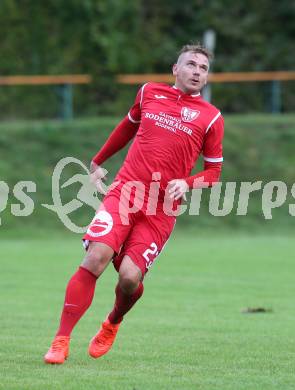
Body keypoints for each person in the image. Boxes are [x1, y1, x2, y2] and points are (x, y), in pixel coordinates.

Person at [44, 43, 224, 364]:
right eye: (191, 65)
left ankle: (112, 322)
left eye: (203, 68)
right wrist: (98, 160)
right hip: (126, 191)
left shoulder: (211, 118)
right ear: (175, 69)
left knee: (129, 278)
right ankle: (61, 340)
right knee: (96, 257)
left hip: (161, 209)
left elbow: (214, 172)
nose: (197, 72)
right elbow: (128, 126)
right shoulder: (148, 93)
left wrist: (188, 182)